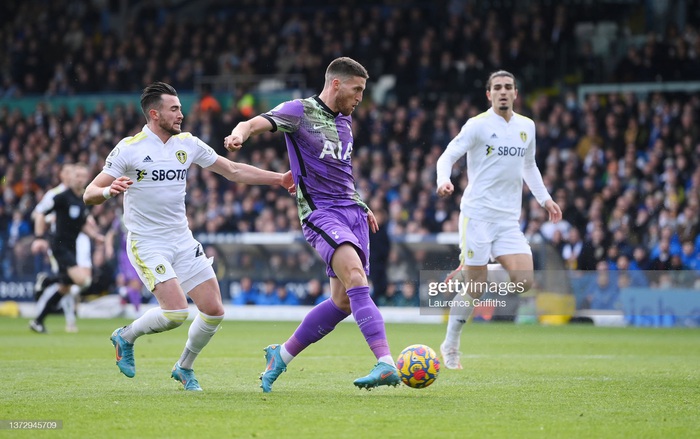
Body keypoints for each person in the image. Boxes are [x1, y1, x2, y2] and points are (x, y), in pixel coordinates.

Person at [83, 82, 294, 391]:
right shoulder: (130, 148)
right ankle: (125, 336)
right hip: (147, 242)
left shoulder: (188, 144)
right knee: (176, 313)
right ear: (154, 114)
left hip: (182, 239)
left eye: (180, 108)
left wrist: (278, 179)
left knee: (214, 310)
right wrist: (107, 190)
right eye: (174, 109)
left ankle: (184, 367)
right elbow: (89, 193)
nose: (181, 114)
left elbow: (232, 170)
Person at [224, 57, 400, 392]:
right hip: (322, 214)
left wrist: (362, 204)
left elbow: (341, 174)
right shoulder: (298, 111)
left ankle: (282, 355)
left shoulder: (346, 123)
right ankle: (385, 362)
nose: (361, 97)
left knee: (343, 302)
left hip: (353, 213)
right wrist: (238, 135)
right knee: (356, 277)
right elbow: (252, 123)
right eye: (357, 89)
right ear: (337, 84)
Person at [435, 70, 562, 369]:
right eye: (497, 88)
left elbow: (529, 166)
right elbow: (447, 156)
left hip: (507, 219)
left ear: (516, 93)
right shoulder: (477, 126)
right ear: (488, 94)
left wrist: (545, 199)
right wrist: (443, 180)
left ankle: (474, 270)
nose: (503, 92)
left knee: (524, 281)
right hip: (477, 215)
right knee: (475, 290)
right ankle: (451, 344)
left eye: (508, 87)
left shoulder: (527, 127)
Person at [29, 163, 103, 334]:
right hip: (60, 246)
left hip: (72, 247)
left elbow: (82, 223)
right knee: (83, 281)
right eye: (76, 176)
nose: (79, 179)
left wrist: (95, 236)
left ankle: (38, 322)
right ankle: (47, 280)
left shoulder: (83, 199)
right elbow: (40, 213)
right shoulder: (62, 197)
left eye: (82, 176)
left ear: (86, 178)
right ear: (70, 178)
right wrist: (39, 238)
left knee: (65, 287)